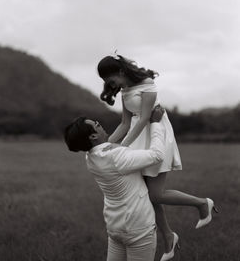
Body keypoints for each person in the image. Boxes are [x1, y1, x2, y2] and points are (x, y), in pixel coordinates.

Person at [97, 54, 218, 261]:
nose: (110, 85)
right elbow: (125, 123)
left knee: (155, 195)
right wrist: (107, 144)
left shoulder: (147, 84)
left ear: (120, 71)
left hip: (156, 132)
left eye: (110, 80)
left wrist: (122, 148)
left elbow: (145, 118)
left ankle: (201, 203)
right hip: (137, 136)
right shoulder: (125, 91)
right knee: (145, 195)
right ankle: (169, 237)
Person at [64, 109, 165, 261]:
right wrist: (156, 124)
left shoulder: (90, 158)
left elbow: (107, 147)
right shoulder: (116, 156)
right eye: (97, 125)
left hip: (114, 226)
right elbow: (157, 155)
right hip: (138, 227)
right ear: (93, 136)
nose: (100, 125)